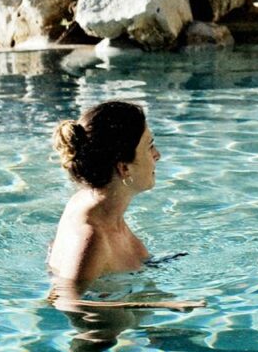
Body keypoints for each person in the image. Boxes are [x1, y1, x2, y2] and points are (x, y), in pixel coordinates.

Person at [48, 99, 201, 315]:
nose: (158, 155)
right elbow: (65, 303)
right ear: (124, 168)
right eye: (149, 147)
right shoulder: (92, 237)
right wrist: (157, 305)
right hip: (104, 334)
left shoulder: (94, 203)